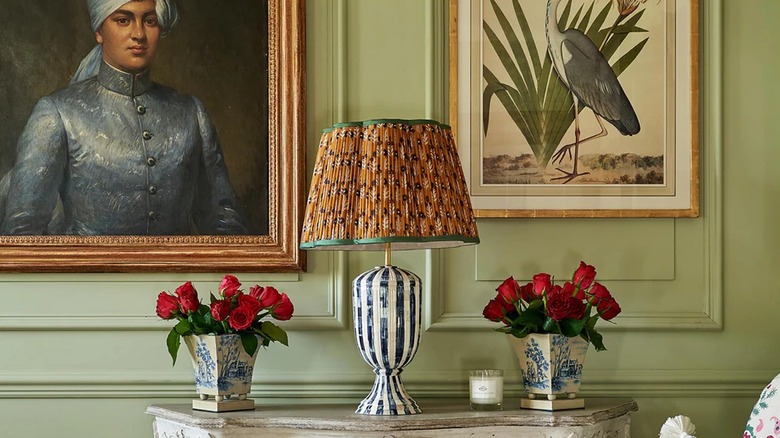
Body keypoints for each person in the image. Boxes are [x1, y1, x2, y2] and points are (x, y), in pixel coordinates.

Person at [1, 0, 247, 235]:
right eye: (123, 20)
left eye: (149, 21)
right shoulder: (57, 112)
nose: (138, 34)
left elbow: (223, 221)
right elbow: (23, 232)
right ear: (99, 31)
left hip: (176, 277)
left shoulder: (191, 112)